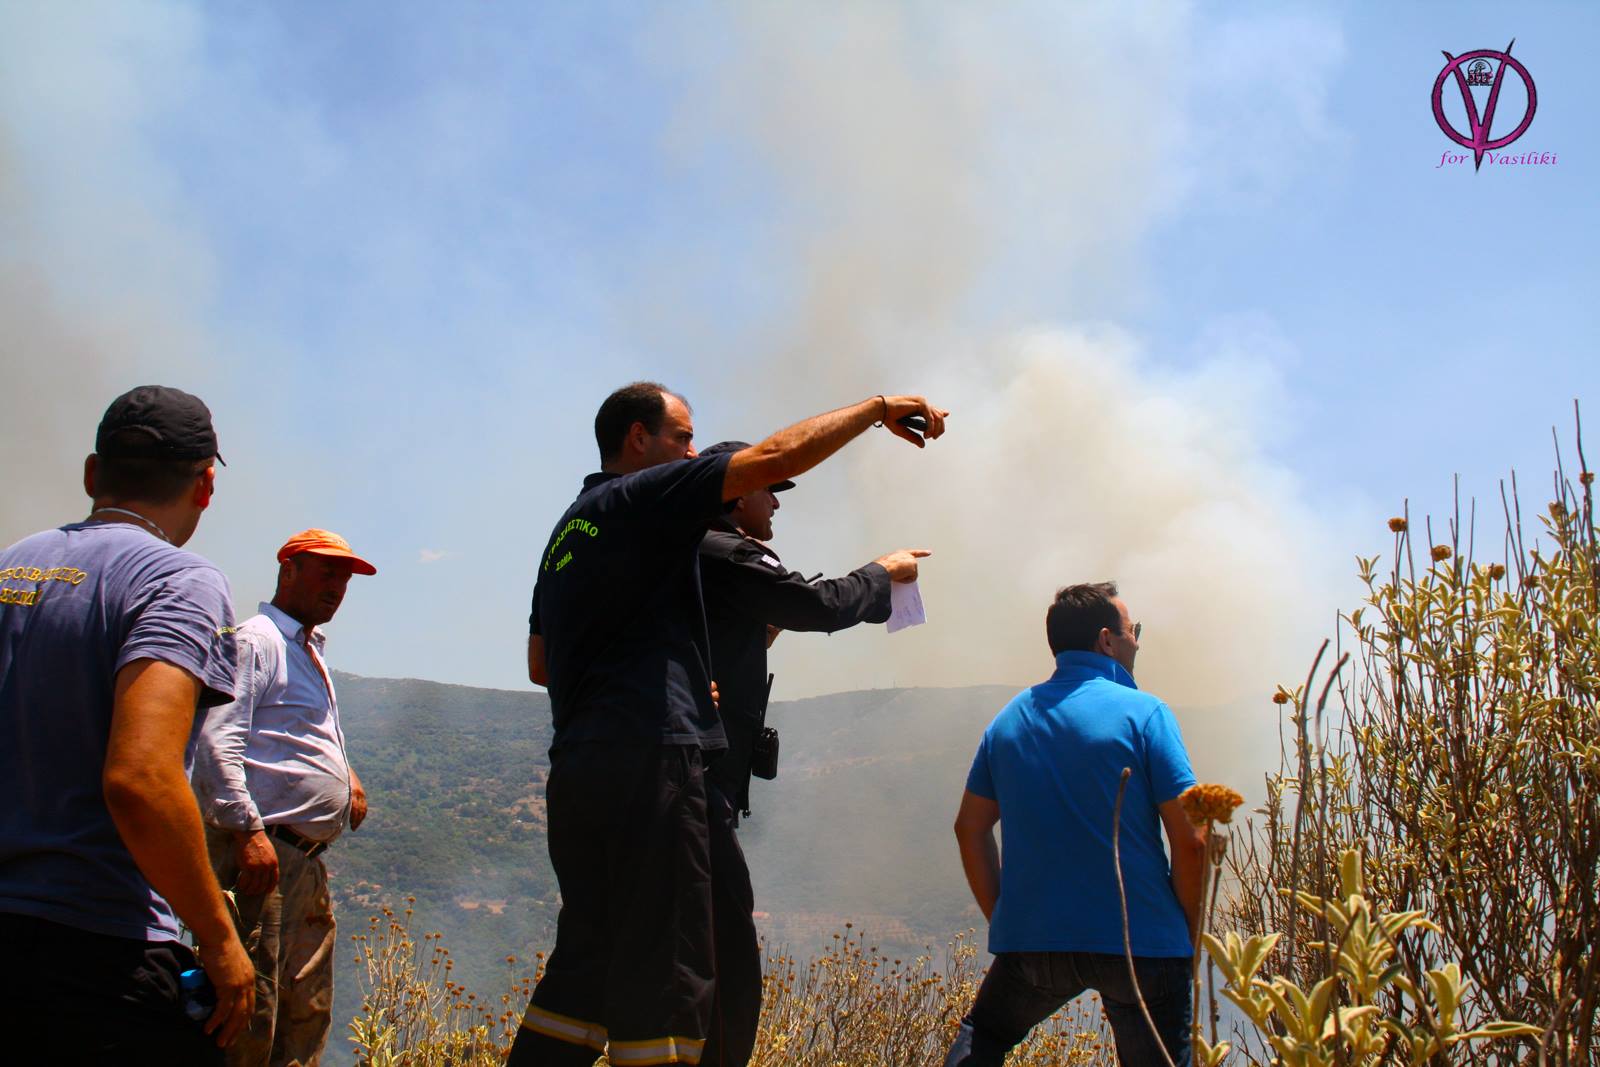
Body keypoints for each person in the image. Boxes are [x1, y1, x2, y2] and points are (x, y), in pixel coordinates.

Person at [512, 383, 947, 1067]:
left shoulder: (571, 528)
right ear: (638, 439)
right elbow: (772, 457)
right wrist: (875, 409)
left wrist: (673, 667)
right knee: (677, 972)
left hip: (579, 767)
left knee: (585, 968)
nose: (692, 452)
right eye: (683, 438)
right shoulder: (644, 499)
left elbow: (541, 663)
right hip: (652, 764)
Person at [0, 385, 255, 1064]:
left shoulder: (11, 564)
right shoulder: (178, 581)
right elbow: (141, 777)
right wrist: (220, 939)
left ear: (93, 472)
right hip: (100, 951)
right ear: (205, 485)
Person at [692, 438, 931, 1066]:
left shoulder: (698, 553)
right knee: (731, 969)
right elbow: (817, 606)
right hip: (695, 793)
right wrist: (883, 572)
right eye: (771, 488)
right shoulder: (722, 551)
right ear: (738, 491)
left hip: (687, 787)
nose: (777, 502)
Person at [942, 582, 1206, 1067]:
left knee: (985, 1035)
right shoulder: (1147, 714)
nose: (1138, 642)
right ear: (1107, 640)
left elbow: (969, 828)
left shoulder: (1008, 720)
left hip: (1034, 940)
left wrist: (1007, 918)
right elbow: (1191, 839)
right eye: (1134, 631)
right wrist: (1183, 936)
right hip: (1141, 942)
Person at [189, 528, 377, 1066]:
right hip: (263, 855)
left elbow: (295, 732)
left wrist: (348, 776)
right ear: (288, 570)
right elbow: (215, 741)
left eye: (344, 578)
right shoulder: (259, 640)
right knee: (252, 1007)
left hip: (302, 860)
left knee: (306, 1007)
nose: (337, 587)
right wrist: (248, 834)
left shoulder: (307, 649)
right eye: (326, 572)